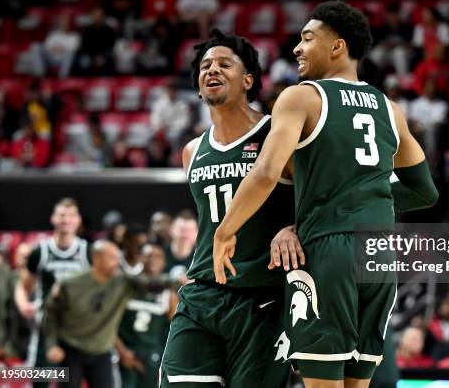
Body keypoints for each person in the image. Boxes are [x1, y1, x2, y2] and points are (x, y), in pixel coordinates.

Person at [213, 0, 438, 387]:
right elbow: (424, 190)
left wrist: (224, 231)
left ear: (337, 47)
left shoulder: (302, 97)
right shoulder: (390, 108)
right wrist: (363, 200)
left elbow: (266, 172)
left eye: (307, 38)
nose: (297, 49)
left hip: (328, 252)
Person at [158, 28, 298, 387]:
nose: (212, 70)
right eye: (205, 66)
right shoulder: (192, 150)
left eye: (224, 64)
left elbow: (323, 201)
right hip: (203, 293)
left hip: (263, 298)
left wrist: (294, 227)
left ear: (248, 80)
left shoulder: (276, 135)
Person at [43, 240, 174, 388]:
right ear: (96, 258)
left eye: (118, 258)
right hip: (71, 349)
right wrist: (51, 345)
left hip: (102, 351)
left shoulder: (122, 282)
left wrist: (177, 281)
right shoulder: (70, 283)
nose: (117, 262)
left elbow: (150, 284)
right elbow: (51, 314)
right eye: (112, 258)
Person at [14, 198, 90, 388]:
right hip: (46, 329)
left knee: (70, 383)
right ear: (53, 218)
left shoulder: (87, 251)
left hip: (75, 330)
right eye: (62, 215)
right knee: (41, 381)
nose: (66, 220)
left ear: (78, 220)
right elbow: (23, 286)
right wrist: (24, 305)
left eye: (71, 215)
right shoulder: (40, 252)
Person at [117, 243, 178, 388]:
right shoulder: (126, 285)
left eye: (158, 257)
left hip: (153, 356)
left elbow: (173, 330)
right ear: (139, 258)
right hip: (125, 352)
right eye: (148, 256)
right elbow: (109, 324)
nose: (152, 260)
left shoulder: (168, 294)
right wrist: (122, 352)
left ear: (164, 262)